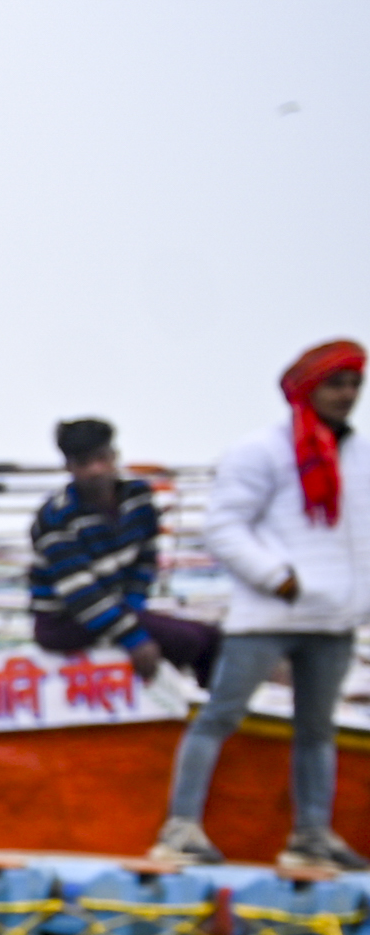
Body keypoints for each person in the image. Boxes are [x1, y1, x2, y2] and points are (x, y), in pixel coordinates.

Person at [156, 343, 363, 872]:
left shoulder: (361, 456)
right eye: (335, 384)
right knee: (221, 715)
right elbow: (224, 526)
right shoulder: (261, 450)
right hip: (266, 614)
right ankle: (180, 826)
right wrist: (278, 578)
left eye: (353, 384)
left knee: (318, 730)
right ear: (307, 389)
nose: (346, 395)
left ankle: (311, 833)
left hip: (334, 618)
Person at [23, 419, 213, 682]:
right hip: (63, 621)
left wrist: (134, 608)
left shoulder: (138, 498)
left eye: (102, 459)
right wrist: (134, 637)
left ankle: (207, 710)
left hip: (117, 608)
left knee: (211, 638)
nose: (95, 470)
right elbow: (80, 593)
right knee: (190, 641)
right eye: (84, 463)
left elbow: (145, 561)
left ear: (115, 457)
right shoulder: (56, 516)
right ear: (69, 467)